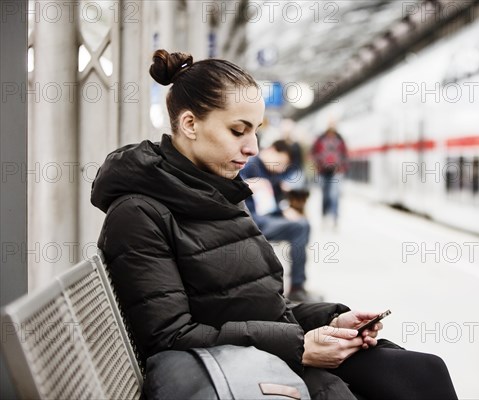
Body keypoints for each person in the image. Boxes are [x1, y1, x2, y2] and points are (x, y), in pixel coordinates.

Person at [91, 49, 458, 399]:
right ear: (190, 124)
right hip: (246, 373)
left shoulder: (215, 192)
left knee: (423, 370)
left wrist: (332, 320)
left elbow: (260, 307)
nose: (253, 147)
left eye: (256, 131)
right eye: (238, 131)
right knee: (414, 381)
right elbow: (170, 338)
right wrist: (300, 347)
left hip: (267, 359)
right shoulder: (139, 214)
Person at [240, 140, 317, 302]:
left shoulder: (270, 172)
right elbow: (230, 186)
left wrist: (285, 210)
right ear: (271, 151)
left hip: (267, 217)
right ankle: (297, 286)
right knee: (300, 227)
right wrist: (247, 185)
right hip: (252, 220)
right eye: (280, 163)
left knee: (303, 224)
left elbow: (272, 203)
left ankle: (298, 282)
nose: (281, 169)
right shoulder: (249, 165)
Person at [311, 126, 349, 227]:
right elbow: (312, 153)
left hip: (337, 172)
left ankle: (335, 218)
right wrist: (318, 163)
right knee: (325, 196)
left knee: (335, 195)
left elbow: (345, 154)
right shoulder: (320, 139)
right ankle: (324, 216)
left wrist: (342, 167)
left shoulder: (340, 139)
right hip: (323, 171)